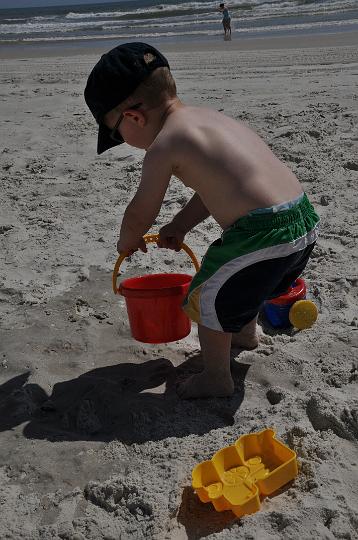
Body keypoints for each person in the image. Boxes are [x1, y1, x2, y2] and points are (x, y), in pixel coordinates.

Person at [84, 43, 320, 399]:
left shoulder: (165, 145)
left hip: (263, 233)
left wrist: (127, 240)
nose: (123, 142)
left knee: (208, 294)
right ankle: (244, 334)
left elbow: (140, 210)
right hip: (302, 221)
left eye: (115, 134)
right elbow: (211, 190)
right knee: (239, 279)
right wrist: (180, 226)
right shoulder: (210, 119)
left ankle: (216, 377)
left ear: (134, 117)